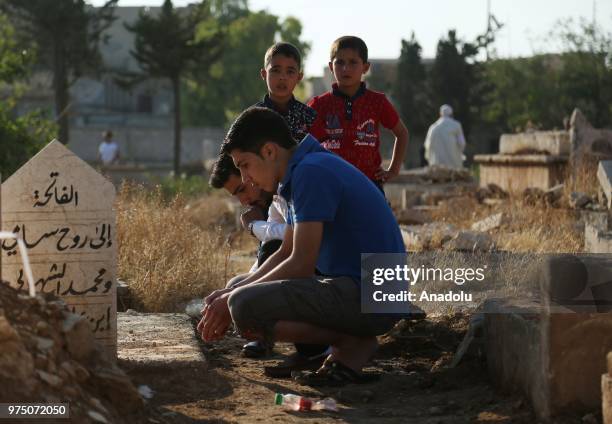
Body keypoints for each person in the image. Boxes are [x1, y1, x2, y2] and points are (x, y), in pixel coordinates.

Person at [198, 107, 405, 386]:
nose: (246, 179)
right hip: (363, 288)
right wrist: (229, 291)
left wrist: (232, 299)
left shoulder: (310, 172)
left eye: (245, 165)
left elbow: (301, 263)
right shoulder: (303, 169)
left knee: (243, 306)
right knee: (238, 287)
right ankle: (346, 342)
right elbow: (286, 251)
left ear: (269, 151)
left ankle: (351, 342)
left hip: (375, 294)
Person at [209, 154, 329, 372]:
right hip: (326, 273)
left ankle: (323, 349)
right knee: (237, 287)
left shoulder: (304, 178)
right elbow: (278, 250)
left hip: (350, 280)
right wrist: (236, 290)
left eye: (243, 188)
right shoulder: (279, 196)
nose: (243, 201)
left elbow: (292, 248)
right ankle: (272, 338)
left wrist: (254, 226)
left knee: (246, 298)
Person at [308, 36, 409, 191]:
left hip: (369, 184)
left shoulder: (378, 102)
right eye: (340, 62)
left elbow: (402, 133)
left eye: (353, 62)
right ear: (330, 66)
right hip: (330, 184)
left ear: (365, 67)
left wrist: (393, 170)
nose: (345, 68)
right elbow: (304, 143)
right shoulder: (319, 105)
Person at [255, 42, 316, 141]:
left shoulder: (309, 117)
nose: (282, 77)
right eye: (276, 71)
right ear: (264, 74)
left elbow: (320, 153)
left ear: (299, 77)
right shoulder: (252, 117)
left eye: (290, 72)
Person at [424, 105, 466, 169]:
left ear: (440, 114)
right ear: (451, 114)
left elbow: (428, 145)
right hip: (454, 167)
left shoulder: (433, 127)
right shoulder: (456, 125)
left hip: (437, 168)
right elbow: (462, 143)